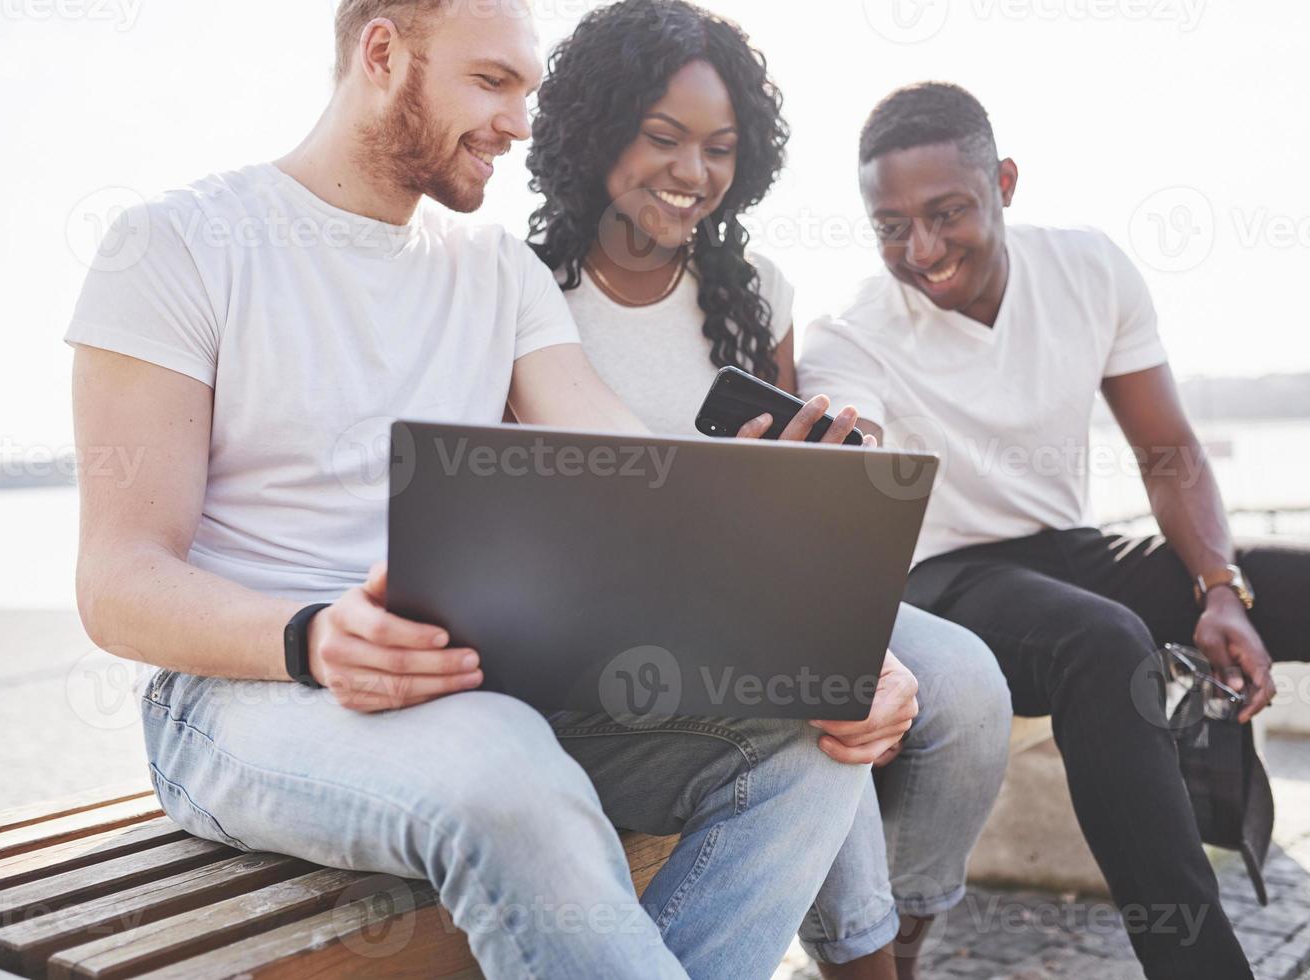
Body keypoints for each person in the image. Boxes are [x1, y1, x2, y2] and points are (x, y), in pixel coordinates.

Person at [62, 2, 893, 976]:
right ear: (382, 54)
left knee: (810, 741)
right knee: (501, 763)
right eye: (491, 82)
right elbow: (117, 581)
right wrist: (315, 636)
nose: (518, 122)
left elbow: (638, 479)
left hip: (467, 681)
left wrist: (824, 648)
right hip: (243, 693)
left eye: (526, 91)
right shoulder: (175, 244)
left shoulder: (496, 270)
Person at [796, 80, 1310, 980]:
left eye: (947, 213)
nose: (924, 249)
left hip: (1067, 549)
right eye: (891, 227)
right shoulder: (849, 337)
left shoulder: (1088, 269)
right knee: (1104, 643)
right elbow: (840, 459)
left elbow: (1168, 451)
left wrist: (1221, 587)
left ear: (1005, 184)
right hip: (944, 582)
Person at [525, 5, 1012, 978]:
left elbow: (791, 505)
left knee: (963, 684)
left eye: (718, 147)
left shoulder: (752, 283)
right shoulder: (523, 286)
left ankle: (895, 933)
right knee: (816, 705)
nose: (692, 172)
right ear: (593, 130)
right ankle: (860, 960)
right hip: (601, 618)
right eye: (662, 137)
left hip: (752, 586)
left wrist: (817, 468)